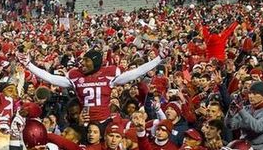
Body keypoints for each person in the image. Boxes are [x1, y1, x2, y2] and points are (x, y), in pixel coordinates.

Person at [18, 47, 168, 123]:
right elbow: (51, 79)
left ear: (95, 62)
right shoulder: (76, 76)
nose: (82, 64)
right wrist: (29, 65)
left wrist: (158, 59)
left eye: (87, 61)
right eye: (83, 60)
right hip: (85, 122)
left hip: (105, 120)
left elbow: (136, 72)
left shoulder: (110, 74)